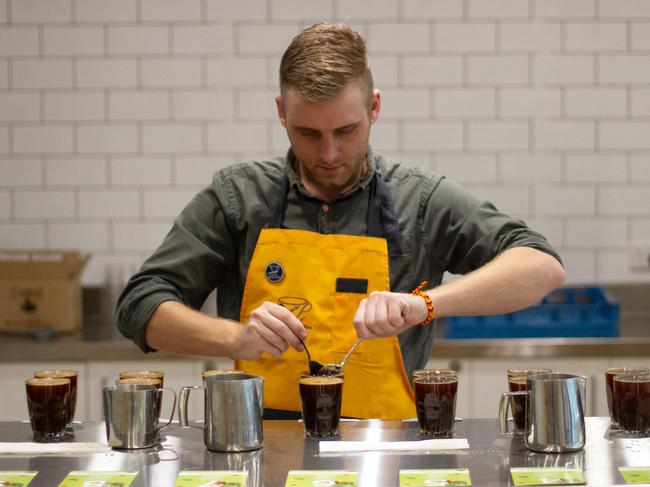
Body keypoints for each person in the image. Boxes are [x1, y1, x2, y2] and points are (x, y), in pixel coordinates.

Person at [117, 23, 565, 420]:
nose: (328, 155)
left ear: (374, 107)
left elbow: (541, 266)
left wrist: (422, 305)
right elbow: (139, 305)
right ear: (281, 112)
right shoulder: (238, 198)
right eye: (308, 133)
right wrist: (235, 338)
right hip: (256, 446)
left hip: (386, 451)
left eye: (345, 131)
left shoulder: (421, 200)